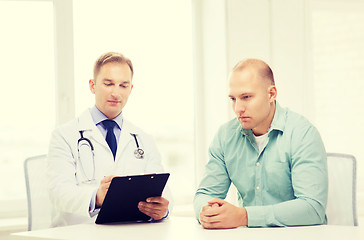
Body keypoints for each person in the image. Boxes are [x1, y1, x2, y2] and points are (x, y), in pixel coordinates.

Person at [194, 59, 328, 228]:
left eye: (246, 97)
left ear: (271, 94)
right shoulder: (225, 136)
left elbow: (312, 208)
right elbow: (205, 193)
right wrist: (208, 212)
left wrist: (244, 217)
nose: (237, 108)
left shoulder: (303, 134)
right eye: (233, 99)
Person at [47, 52, 172, 227]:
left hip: (131, 232)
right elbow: (58, 192)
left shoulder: (143, 139)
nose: (116, 93)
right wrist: (97, 197)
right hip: (79, 234)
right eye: (108, 83)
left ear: (130, 89)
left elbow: (164, 190)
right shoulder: (64, 135)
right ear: (92, 86)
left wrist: (163, 209)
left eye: (123, 85)